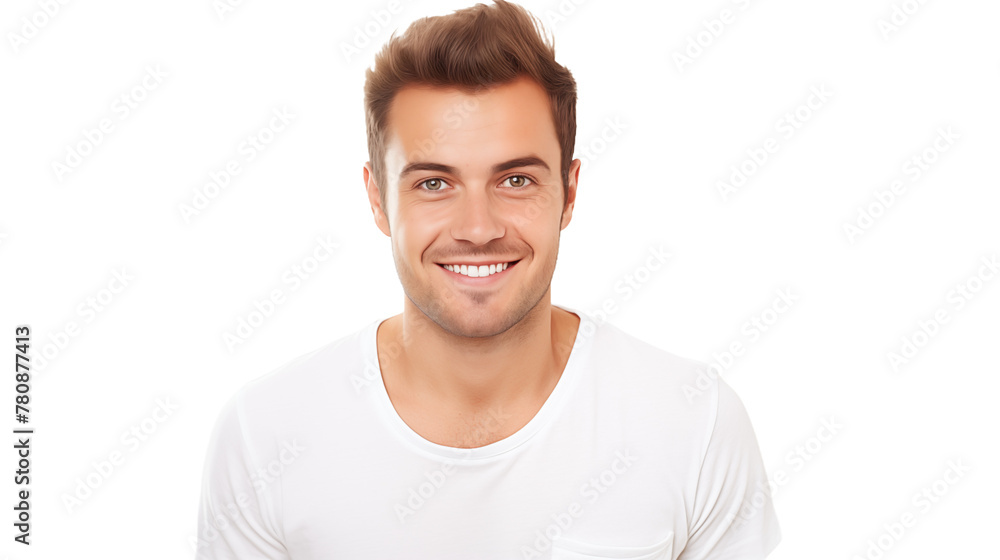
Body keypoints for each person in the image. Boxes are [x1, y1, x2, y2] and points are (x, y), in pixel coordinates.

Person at [194, 1, 781, 558]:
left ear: (569, 192)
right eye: (433, 183)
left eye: (516, 180)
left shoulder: (693, 423)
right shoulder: (264, 435)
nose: (477, 229)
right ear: (377, 199)